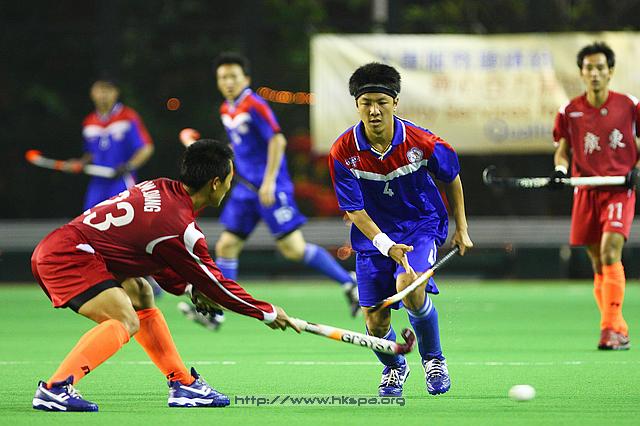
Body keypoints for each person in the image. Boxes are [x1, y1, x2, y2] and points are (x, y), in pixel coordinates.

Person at [31, 139, 300, 412]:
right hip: (69, 257)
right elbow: (217, 285)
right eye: (230, 180)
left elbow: (156, 258)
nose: (230, 187)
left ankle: (183, 384)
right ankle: (56, 388)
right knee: (125, 319)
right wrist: (266, 312)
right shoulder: (179, 227)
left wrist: (190, 289)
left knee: (140, 293)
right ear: (215, 183)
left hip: (68, 247)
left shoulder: (159, 187)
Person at [328, 63, 473, 397]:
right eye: (366, 103)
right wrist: (385, 245)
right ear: (357, 105)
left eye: (381, 102)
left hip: (420, 225)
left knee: (409, 284)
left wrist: (462, 227)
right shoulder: (342, 152)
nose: (374, 110)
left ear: (395, 102)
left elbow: (452, 176)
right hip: (373, 237)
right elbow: (354, 210)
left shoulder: (423, 142)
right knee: (375, 322)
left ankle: (433, 360)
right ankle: (394, 366)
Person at [189, 52, 359, 326]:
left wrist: (268, 181)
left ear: (246, 79)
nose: (228, 82)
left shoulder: (255, 105)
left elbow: (277, 140)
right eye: (223, 77)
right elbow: (239, 147)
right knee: (227, 245)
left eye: (233, 76)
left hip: (270, 188)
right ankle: (218, 313)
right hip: (245, 190)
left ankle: (349, 282)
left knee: (293, 249)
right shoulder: (226, 109)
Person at [551, 41, 639, 351]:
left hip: (618, 190)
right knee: (599, 263)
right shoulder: (569, 111)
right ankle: (618, 327)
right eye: (589, 68)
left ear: (610, 71)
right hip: (586, 191)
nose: (595, 73)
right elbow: (562, 151)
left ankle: (608, 329)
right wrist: (560, 171)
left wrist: (636, 170)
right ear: (581, 73)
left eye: (601, 68)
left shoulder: (630, 106)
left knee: (610, 251)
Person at [64, 78, 154, 210]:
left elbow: (146, 148)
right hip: (97, 184)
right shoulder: (89, 122)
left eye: (108, 89)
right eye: (100, 89)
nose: (103, 94)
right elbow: (90, 154)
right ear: (92, 93)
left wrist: (129, 166)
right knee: (89, 220)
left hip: (122, 181)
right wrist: (80, 163)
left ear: (116, 92)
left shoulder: (128, 117)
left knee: (124, 219)